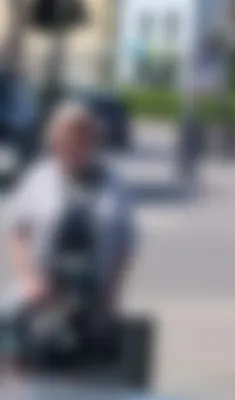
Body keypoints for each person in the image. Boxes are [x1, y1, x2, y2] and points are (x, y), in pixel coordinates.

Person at [1, 100, 137, 380]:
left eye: (83, 137)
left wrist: (112, 295)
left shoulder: (114, 184)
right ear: (55, 141)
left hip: (92, 302)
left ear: (94, 140)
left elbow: (125, 244)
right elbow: (17, 230)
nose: (75, 145)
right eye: (67, 138)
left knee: (84, 389)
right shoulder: (39, 178)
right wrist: (29, 278)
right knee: (21, 372)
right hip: (43, 298)